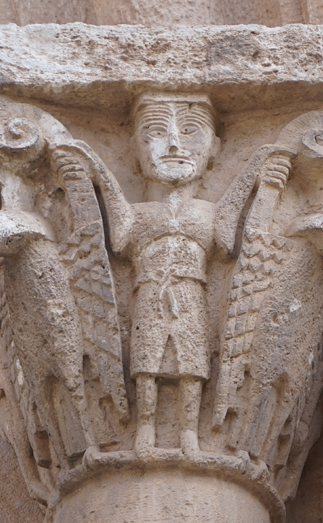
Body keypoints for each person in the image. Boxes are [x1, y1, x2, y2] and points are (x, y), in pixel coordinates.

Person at [104, 93, 223, 453]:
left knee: (192, 365)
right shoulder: (139, 213)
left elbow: (233, 241)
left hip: (191, 294)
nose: (173, 143)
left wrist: (261, 173)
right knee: (146, 365)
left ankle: (189, 431)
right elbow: (119, 238)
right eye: (155, 131)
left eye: (190, 130)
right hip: (149, 292)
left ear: (215, 148)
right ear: (133, 147)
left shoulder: (208, 212)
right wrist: (100, 175)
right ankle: (144, 429)